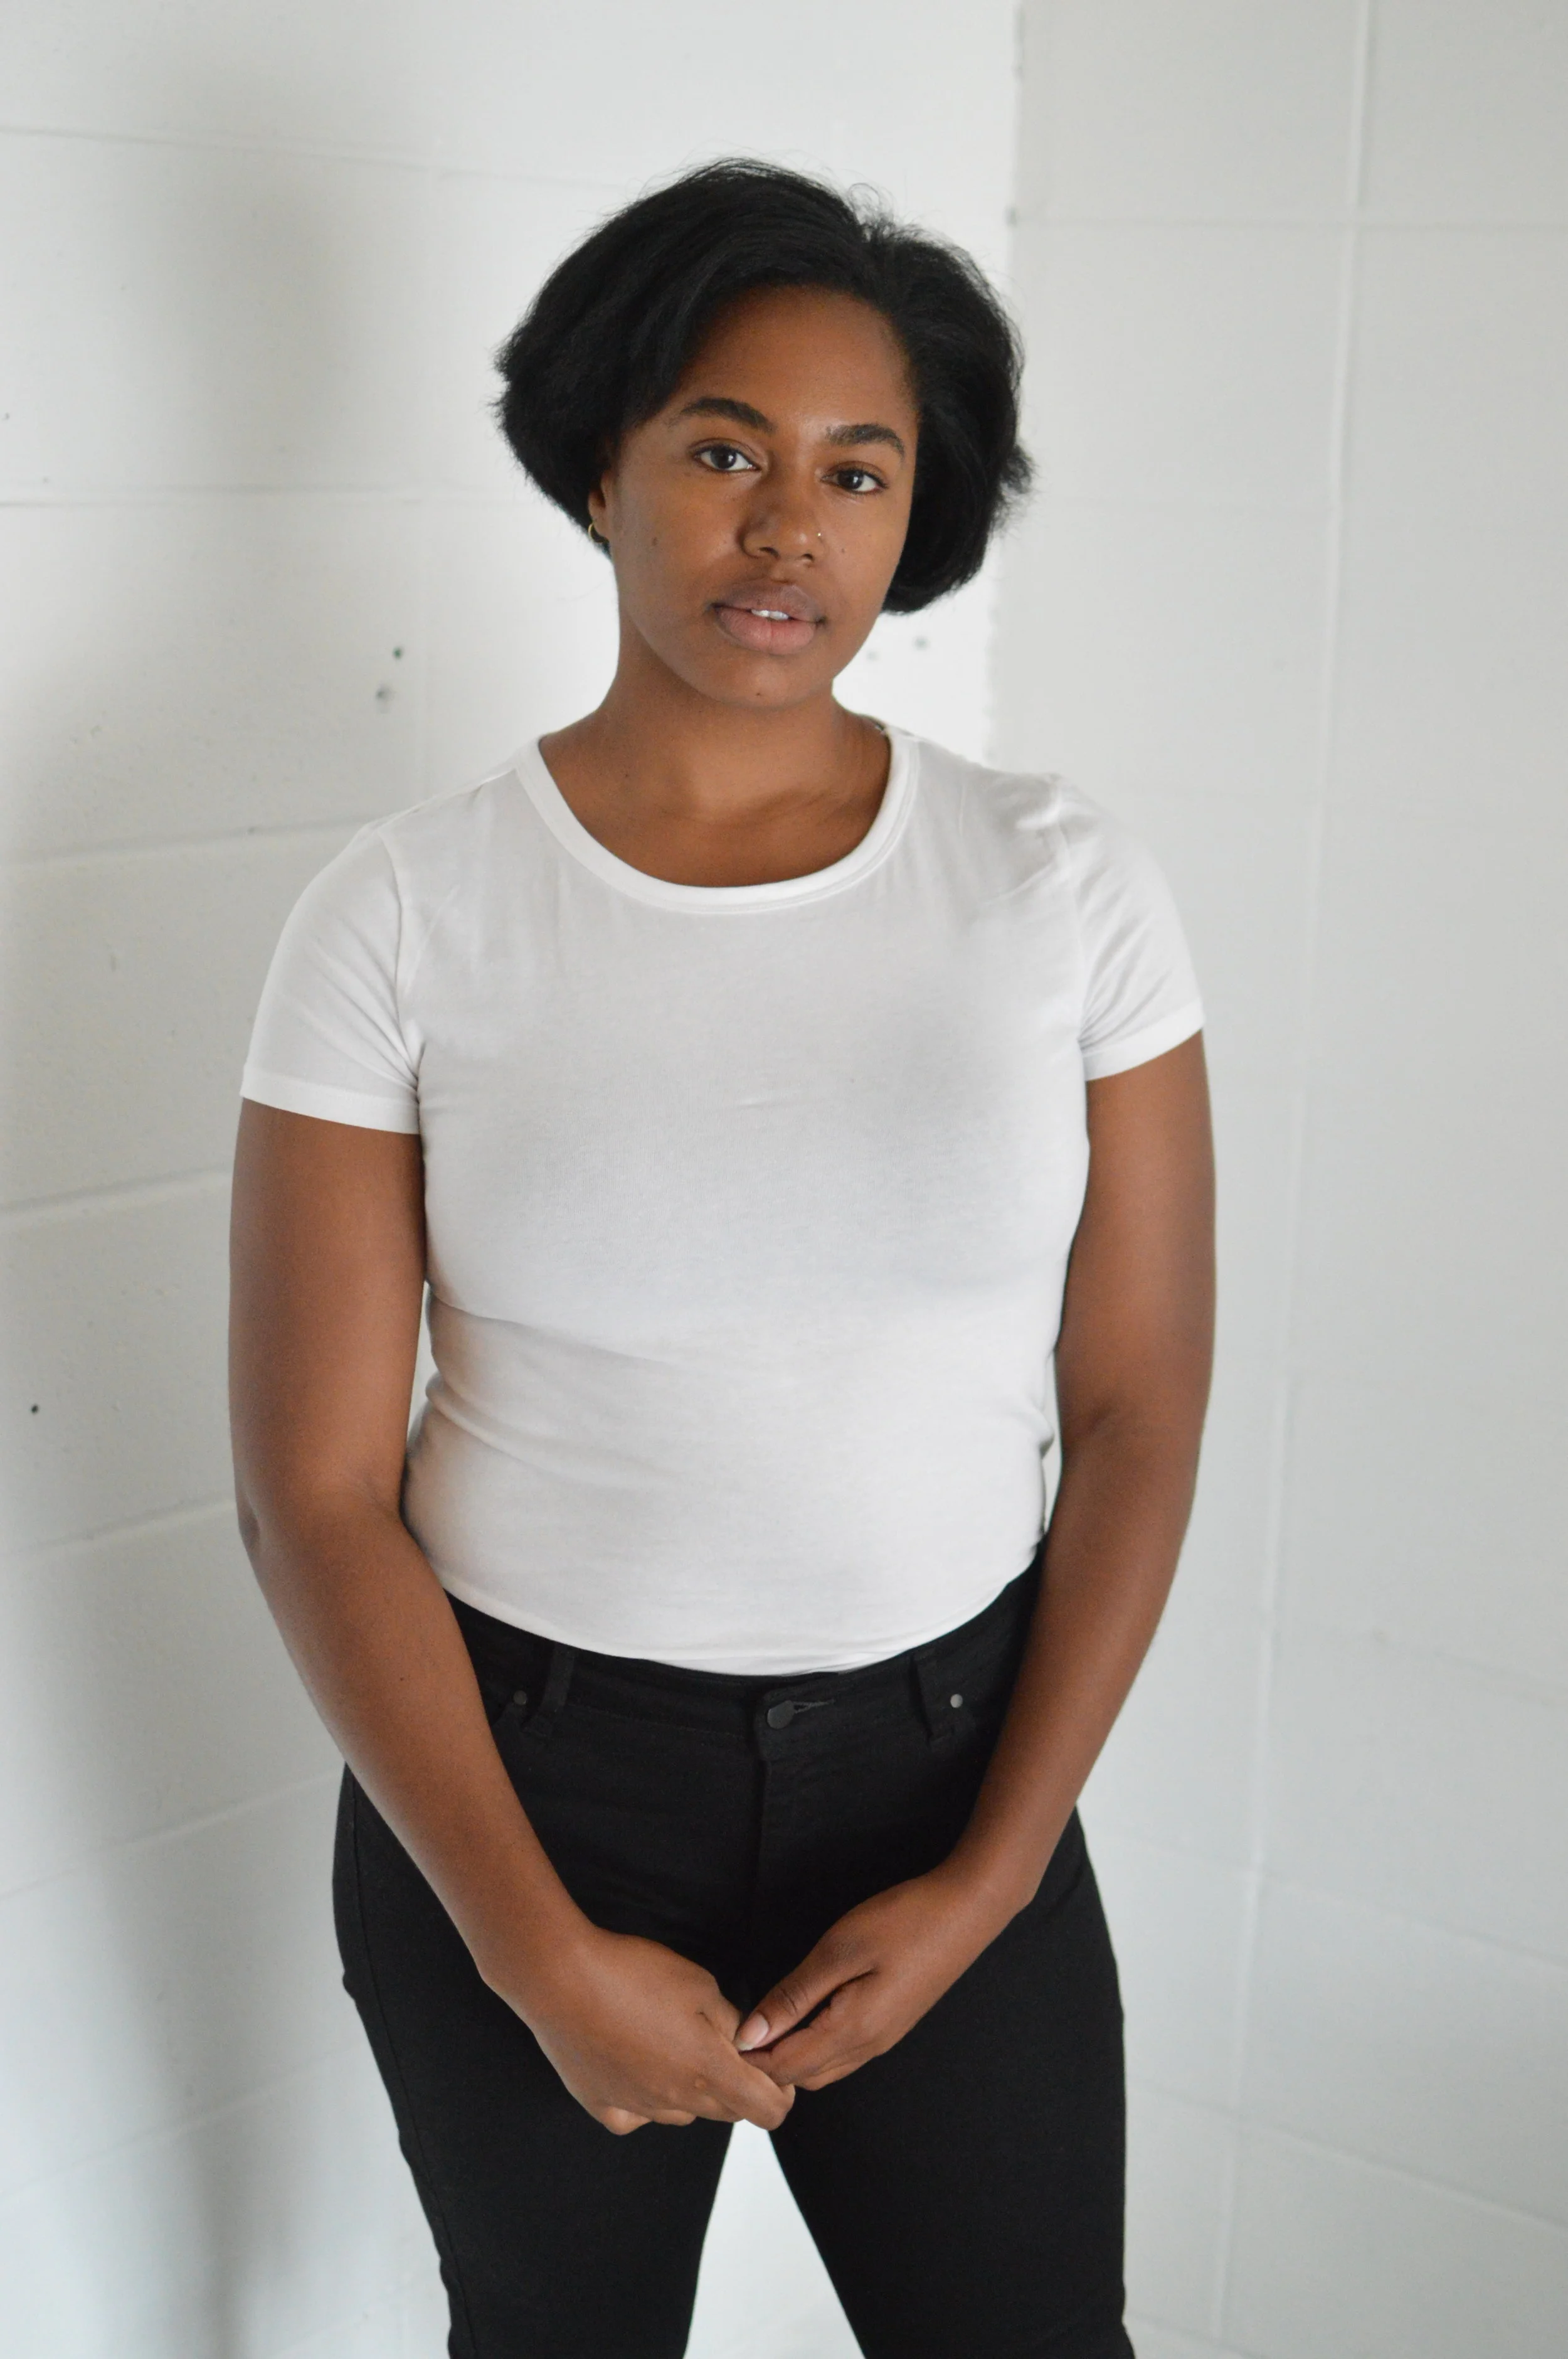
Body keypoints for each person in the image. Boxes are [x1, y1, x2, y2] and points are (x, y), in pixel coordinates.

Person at [228, 157, 1214, 2359]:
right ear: (602, 468)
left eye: (855, 470)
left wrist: (988, 1878)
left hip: (957, 1775)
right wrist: (528, 1947)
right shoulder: (400, 914)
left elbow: (1136, 1405)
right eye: (720, 451)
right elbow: (314, 1488)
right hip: (522, 1794)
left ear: (915, 514)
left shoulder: (1060, 887)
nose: (787, 529)